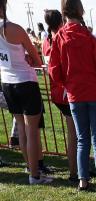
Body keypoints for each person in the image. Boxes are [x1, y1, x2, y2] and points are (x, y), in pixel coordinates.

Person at [49, 0, 96, 192]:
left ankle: (83, 181)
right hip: (95, 94)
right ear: (80, 11)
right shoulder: (88, 36)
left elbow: (53, 69)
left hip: (75, 95)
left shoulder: (60, 38)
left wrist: (66, 84)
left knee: (82, 139)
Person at [0, 0, 49, 185]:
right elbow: (36, 59)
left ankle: (31, 169)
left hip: (7, 83)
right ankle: (35, 175)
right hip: (25, 81)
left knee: (21, 127)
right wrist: (29, 57)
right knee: (31, 130)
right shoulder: (15, 29)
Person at [41, 9, 77, 182]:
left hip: (56, 92)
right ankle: (74, 172)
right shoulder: (60, 39)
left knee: (74, 133)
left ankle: (76, 168)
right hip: (64, 92)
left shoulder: (45, 41)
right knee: (74, 134)